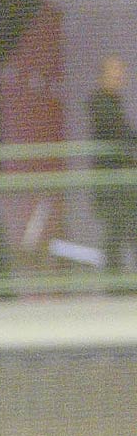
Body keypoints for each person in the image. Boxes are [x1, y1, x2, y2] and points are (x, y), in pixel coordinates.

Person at [87, 55, 137, 275]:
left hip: (121, 182)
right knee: (116, 231)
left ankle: (118, 281)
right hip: (112, 183)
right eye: (114, 72)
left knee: (126, 229)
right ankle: (114, 283)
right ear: (103, 76)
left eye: (120, 72)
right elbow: (119, 133)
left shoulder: (112, 102)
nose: (119, 77)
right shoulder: (100, 103)